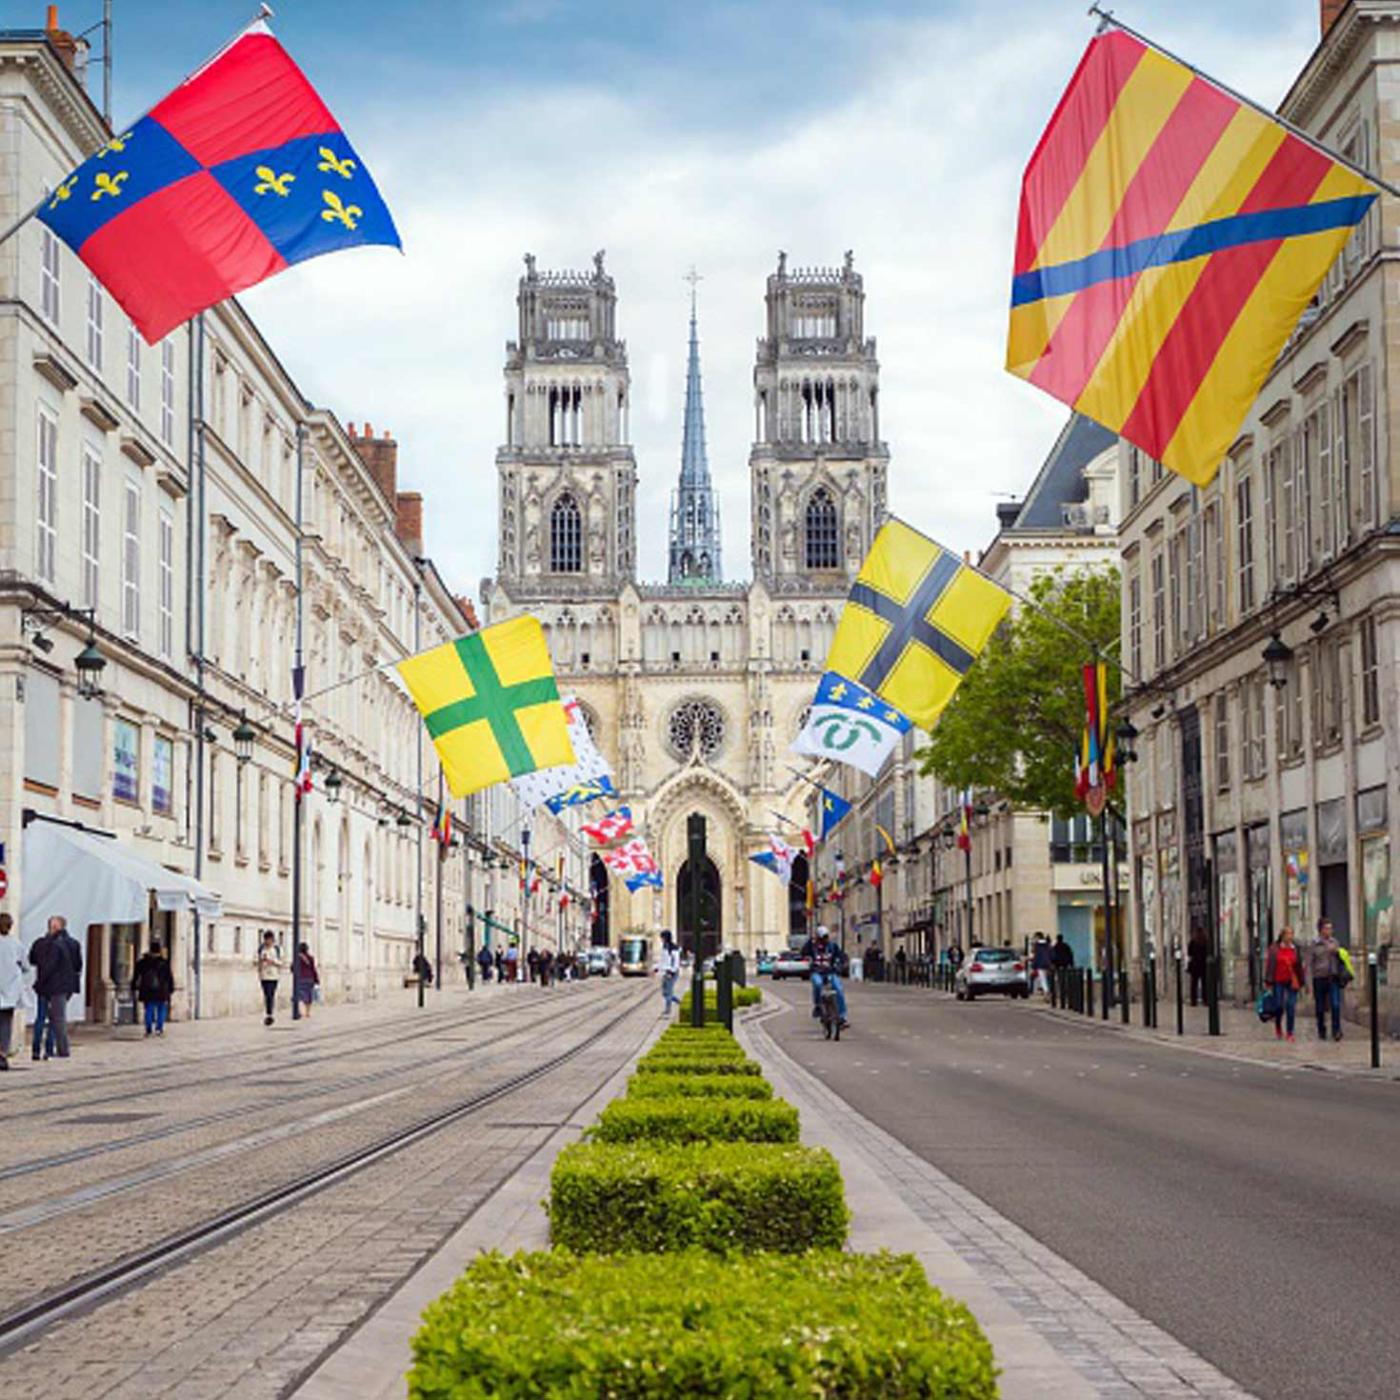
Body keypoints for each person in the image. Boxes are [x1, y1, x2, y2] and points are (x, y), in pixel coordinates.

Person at [29, 915, 82, 1059]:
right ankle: (50, 1049)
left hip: (46, 985)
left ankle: (37, 1050)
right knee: (56, 1018)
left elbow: (35, 961)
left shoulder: (43, 943)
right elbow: (78, 965)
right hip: (63, 986)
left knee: (43, 1017)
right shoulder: (72, 944)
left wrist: (39, 983)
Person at [800, 926, 849, 1029]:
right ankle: (818, 1006)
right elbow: (803, 952)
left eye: (825, 937)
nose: (824, 940)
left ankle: (842, 1017)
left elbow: (842, 956)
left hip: (830, 972)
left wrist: (842, 965)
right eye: (821, 938)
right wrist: (810, 941)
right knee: (817, 984)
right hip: (817, 972)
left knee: (838, 989)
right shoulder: (812, 946)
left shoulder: (832, 946)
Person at [1264, 926, 1305, 1042]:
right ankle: (1278, 1025)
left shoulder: (1295, 948)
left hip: (1292, 981)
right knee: (1279, 1005)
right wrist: (1268, 981)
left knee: (1291, 1006)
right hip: (1278, 980)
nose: (1290, 936)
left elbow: (1299, 966)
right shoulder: (1274, 949)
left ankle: (1290, 1032)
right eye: (1287, 934)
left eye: (1291, 934)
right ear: (1282, 935)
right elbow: (1270, 965)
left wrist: (1302, 981)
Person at [1308, 918, 1344, 1043]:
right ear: (1321, 930)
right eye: (1327, 928)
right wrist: (1308, 982)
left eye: (1331, 928)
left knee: (1335, 1004)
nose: (1329, 931)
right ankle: (1321, 1030)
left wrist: (1337, 952)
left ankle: (1336, 1031)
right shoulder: (1314, 943)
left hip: (1332, 977)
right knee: (1320, 1007)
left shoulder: (1335, 942)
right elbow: (1310, 963)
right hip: (1319, 978)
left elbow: (1342, 959)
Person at [132, 941, 175, 1037]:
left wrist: (134, 986)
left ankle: (148, 1030)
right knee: (161, 1010)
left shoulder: (142, 962)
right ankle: (159, 1029)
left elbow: (136, 976)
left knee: (148, 1009)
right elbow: (169, 977)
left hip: (147, 990)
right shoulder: (164, 963)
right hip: (161, 990)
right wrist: (171, 988)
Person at [0, 912, 25, 1071]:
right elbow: (26, 966)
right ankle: (2, 1054)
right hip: (9, 993)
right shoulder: (16, 944)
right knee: (5, 1024)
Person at [256, 932, 283, 1027]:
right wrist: (260, 963)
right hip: (264, 975)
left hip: (273, 976)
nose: (267, 941)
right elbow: (256, 961)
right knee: (266, 994)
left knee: (271, 994)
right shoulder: (261, 949)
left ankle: (269, 1014)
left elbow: (281, 963)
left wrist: (272, 961)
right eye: (266, 939)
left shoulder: (276, 949)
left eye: (269, 939)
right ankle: (268, 1013)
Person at [657, 930, 681, 1016]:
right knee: (664, 993)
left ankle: (667, 1010)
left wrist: (672, 971)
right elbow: (663, 961)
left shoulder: (673, 948)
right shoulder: (664, 947)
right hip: (665, 972)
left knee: (669, 991)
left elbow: (676, 961)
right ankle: (680, 1002)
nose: (661, 939)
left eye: (662, 937)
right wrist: (657, 968)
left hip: (672, 972)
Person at [295, 942, 321, 1017]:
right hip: (310, 979)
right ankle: (307, 1012)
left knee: (300, 996)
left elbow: (293, 968)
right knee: (309, 996)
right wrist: (316, 979)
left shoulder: (297, 958)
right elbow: (313, 969)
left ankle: (301, 1011)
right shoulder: (311, 958)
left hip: (300, 979)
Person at [1187, 929, 1208, 1007]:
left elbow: (1189, 953)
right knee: (1204, 983)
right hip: (1203, 965)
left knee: (1194, 984)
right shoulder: (1205, 941)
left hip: (1195, 965)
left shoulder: (1193, 941)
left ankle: (1193, 1001)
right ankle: (1205, 1000)